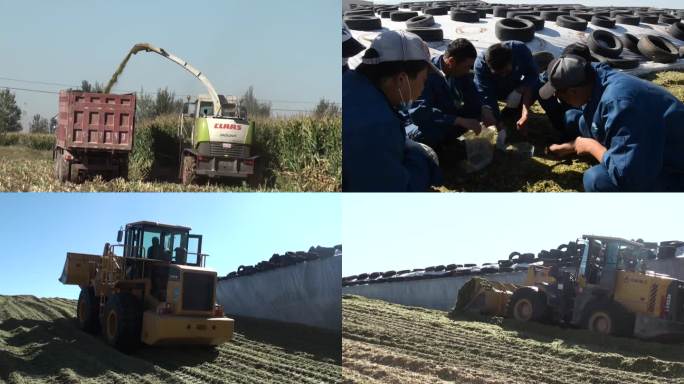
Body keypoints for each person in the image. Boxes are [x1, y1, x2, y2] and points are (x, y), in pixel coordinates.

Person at [541, 55, 684, 191]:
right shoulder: (594, 75)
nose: (557, 97)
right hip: (646, 134)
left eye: (558, 95)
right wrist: (568, 147)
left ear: (573, 92)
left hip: (671, 163)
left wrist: (591, 147)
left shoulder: (621, 106)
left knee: (596, 180)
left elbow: (628, 176)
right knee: (573, 118)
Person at [343, 30, 442, 191]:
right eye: (423, 81)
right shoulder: (377, 124)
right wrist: (423, 161)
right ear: (402, 79)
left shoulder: (350, 81)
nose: (422, 90)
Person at [407, 38, 483, 166]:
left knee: (475, 113)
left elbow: (472, 95)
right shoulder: (424, 74)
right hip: (418, 122)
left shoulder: (460, 72)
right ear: (451, 61)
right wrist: (458, 120)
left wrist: (484, 109)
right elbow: (419, 113)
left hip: (446, 115)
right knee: (429, 133)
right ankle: (430, 152)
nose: (468, 70)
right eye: (466, 67)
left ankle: (446, 143)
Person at [474, 41, 564, 138]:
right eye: (498, 73)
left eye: (506, 71)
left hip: (515, 86)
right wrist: (498, 124)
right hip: (496, 90)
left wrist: (525, 113)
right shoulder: (480, 65)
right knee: (480, 101)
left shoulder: (520, 50)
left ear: (511, 60)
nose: (503, 75)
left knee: (539, 85)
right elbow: (488, 96)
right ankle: (505, 114)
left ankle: (513, 110)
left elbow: (532, 76)